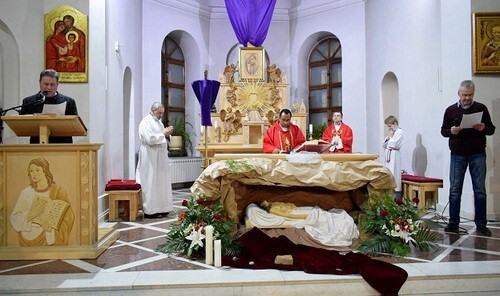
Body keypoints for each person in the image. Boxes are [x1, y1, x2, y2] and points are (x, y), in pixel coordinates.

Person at [441, 80, 495, 236]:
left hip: (477, 154)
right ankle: (453, 223)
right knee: (455, 190)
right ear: (458, 93)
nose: (467, 98)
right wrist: (451, 131)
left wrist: (483, 127)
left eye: (470, 95)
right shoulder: (450, 110)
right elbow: (443, 131)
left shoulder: (481, 108)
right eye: (464, 95)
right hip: (458, 155)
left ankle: (481, 224)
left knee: (479, 191)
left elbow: (491, 129)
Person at [10, 158, 75, 246]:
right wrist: (31, 215)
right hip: (28, 236)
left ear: (45, 171)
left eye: (37, 170)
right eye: (31, 171)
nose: (34, 173)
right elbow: (14, 217)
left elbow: (69, 217)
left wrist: (52, 228)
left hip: (50, 236)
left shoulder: (58, 191)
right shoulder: (26, 192)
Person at [136, 102, 174, 218]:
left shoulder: (158, 122)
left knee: (162, 181)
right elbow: (149, 139)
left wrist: (166, 134)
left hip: (160, 156)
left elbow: (161, 137)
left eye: (162, 113)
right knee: (151, 181)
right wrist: (163, 133)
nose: (161, 115)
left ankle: (162, 208)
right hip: (150, 155)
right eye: (159, 113)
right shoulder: (146, 122)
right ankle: (150, 210)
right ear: (152, 110)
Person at [20, 69, 78, 143]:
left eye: (52, 84)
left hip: (62, 145)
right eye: (46, 84)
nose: (49, 87)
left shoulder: (69, 102)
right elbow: (22, 125)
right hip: (37, 144)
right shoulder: (29, 102)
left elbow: (74, 125)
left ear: (57, 85)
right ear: (40, 83)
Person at [382, 116, 404, 198]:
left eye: (390, 126)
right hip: (389, 156)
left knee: (395, 175)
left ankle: (396, 196)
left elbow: (394, 144)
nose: (389, 129)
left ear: (395, 124)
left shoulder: (399, 132)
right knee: (389, 174)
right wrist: (388, 138)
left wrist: (391, 138)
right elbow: (384, 145)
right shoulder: (392, 133)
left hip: (395, 155)